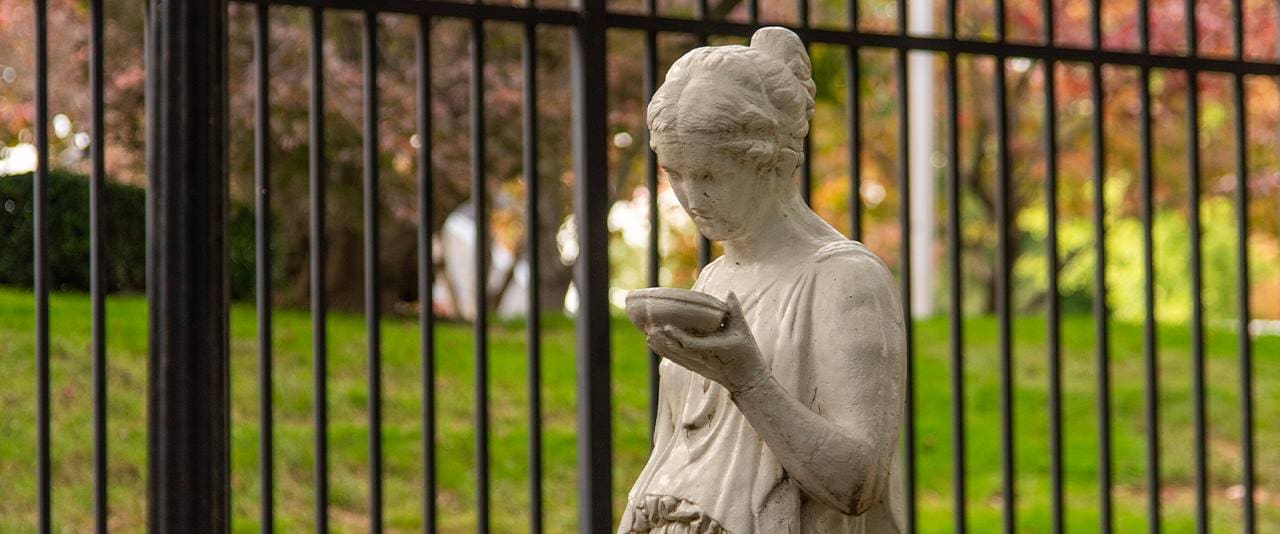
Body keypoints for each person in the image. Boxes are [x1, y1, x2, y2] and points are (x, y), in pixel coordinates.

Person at [619, 26, 907, 534]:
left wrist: (746, 379)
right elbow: (673, 449)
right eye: (674, 173)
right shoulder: (712, 280)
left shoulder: (844, 279)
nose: (690, 196)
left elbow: (857, 482)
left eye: (710, 174)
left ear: (769, 161)